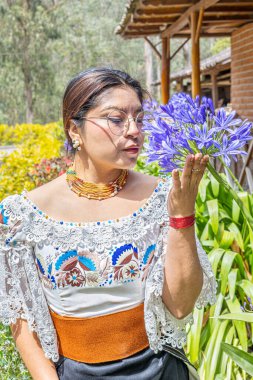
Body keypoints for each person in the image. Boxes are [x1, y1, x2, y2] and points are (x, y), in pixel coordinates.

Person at [0, 67, 217, 380]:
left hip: (160, 371)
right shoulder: (23, 216)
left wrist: (181, 218)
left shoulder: (161, 198)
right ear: (74, 130)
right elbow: (22, 320)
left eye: (139, 119)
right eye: (117, 119)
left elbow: (181, 307)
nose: (133, 131)